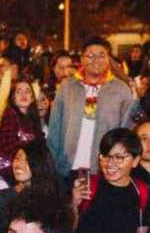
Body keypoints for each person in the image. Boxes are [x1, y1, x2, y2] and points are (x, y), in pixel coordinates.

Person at [45, 37, 137, 180]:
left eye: (101, 55)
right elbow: (55, 126)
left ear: (108, 59)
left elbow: (126, 129)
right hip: (67, 165)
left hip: (104, 168)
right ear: (81, 59)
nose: (96, 60)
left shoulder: (121, 89)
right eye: (90, 55)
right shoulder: (68, 86)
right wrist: (53, 161)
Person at [0, 140, 64, 233]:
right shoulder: (2, 198)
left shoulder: (50, 197)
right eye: (17, 158)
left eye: (26, 160)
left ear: (38, 164)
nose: (19, 164)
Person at [0, 77, 44, 177]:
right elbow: (8, 146)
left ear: (32, 97)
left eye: (27, 91)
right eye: (18, 92)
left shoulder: (31, 118)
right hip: (8, 170)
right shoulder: (10, 114)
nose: (23, 95)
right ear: (13, 97)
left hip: (23, 168)